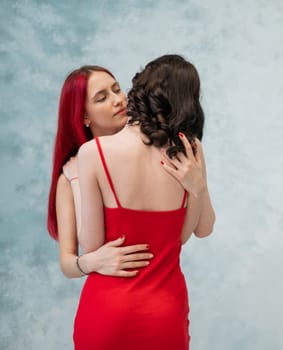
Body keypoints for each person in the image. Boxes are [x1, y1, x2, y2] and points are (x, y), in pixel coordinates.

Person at [73, 54, 215, 349]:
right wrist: (197, 188)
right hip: (165, 312)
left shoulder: (93, 152)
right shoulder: (190, 149)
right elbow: (198, 231)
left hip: (106, 309)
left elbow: (93, 245)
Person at [47, 66, 153, 278]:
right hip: (107, 294)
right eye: (102, 98)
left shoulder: (150, 151)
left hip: (160, 287)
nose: (118, 100)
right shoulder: (70, 176)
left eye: (117, 89)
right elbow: (67, 263)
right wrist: (91, 261)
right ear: (84, 116)